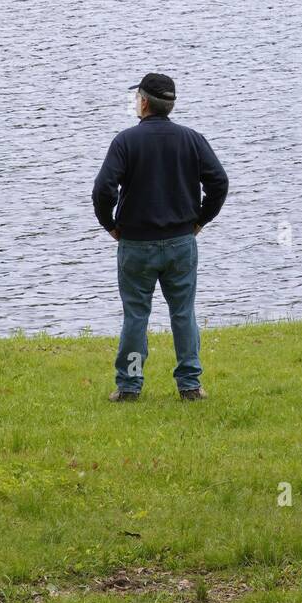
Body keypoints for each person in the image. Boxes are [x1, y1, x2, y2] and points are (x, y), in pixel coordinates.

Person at [92, 72, 228, 402]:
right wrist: (200, 221)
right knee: (183, 313)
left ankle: (130, 385)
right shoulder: (192, 139)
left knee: (136, 316)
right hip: (182, 242)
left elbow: (102, 189)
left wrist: (109, 224)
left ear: (144, 102)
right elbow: (219, 183)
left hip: (136, 245)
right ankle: (190, 385)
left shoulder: (125, 141)